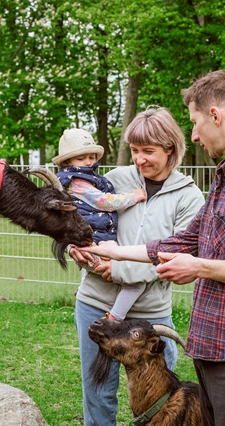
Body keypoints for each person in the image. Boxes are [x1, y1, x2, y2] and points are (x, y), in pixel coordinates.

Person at [77, 70, 225, 426]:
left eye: (196, 123)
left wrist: (198, 267)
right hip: (217, 351)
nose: (194, 135)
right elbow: (181, 242)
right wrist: (108, 250)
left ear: (216, 115)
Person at [68, 108, 205, 426]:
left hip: (151, 315)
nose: (139, 159)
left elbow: (172, 256)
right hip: (96, 303)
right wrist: (75, 248)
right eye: (134, 150)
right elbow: (83, 222)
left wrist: (117, 270)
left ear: (170, 149)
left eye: (148, 151)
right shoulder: (115, 181)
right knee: (98, 390)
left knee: (161, 399)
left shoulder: (189, 197)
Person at [53, 128, 146, 321]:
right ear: (67, 162)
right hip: (95, 240)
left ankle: (84, 292)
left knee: (97, 266)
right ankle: (115, 317)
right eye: (82, 158)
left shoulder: (86, 178)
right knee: (136, 282)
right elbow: (104, 202)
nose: (88, 162)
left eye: (91, 157)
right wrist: (133, 197)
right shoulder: (77, 182)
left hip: (94, 239)